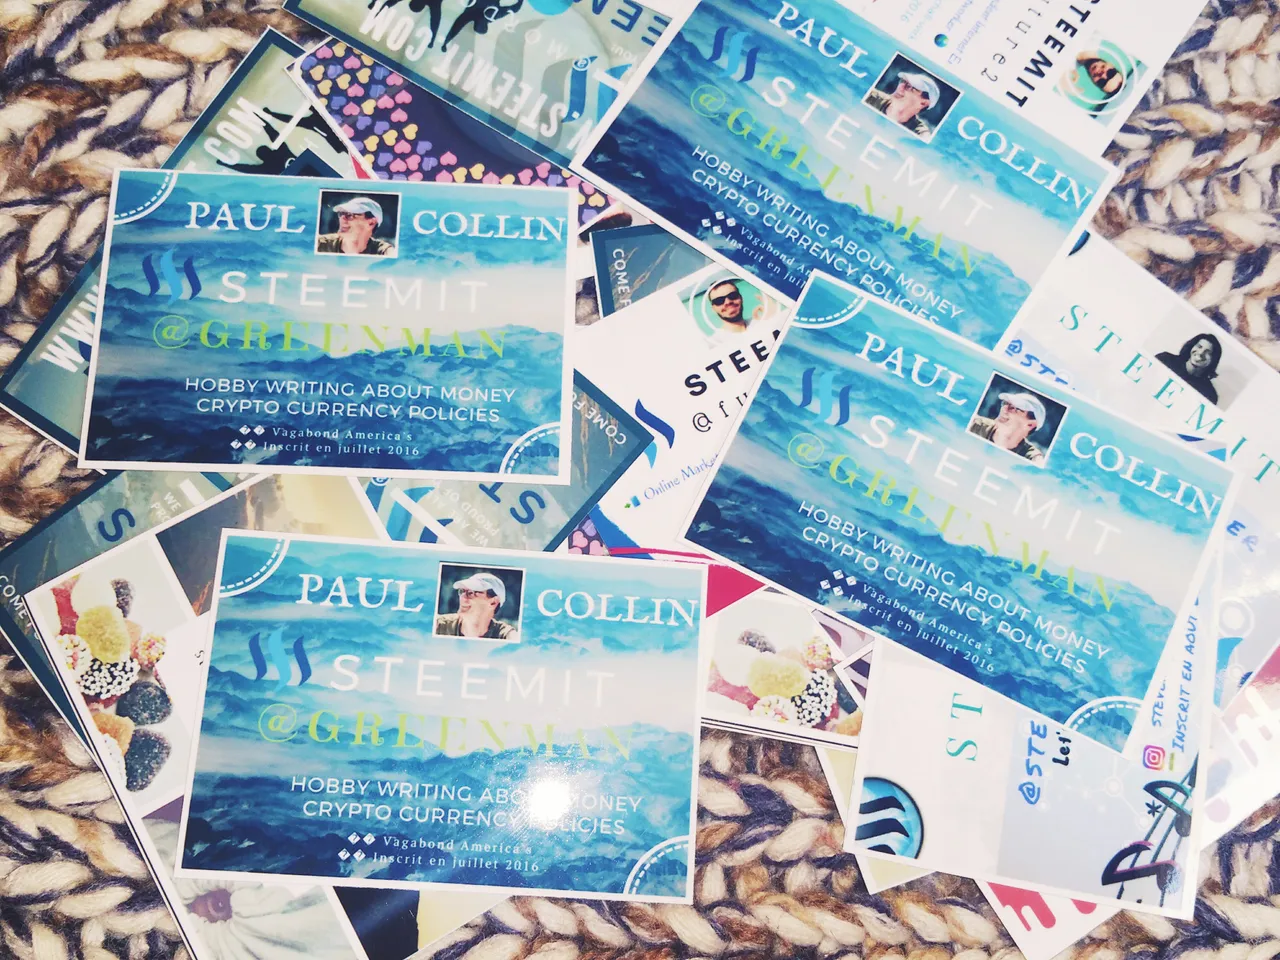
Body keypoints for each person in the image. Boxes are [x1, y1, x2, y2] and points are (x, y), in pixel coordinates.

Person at [968, 391, 1048, 463]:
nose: (1004, 409)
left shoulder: (1033, 459)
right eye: (1005, 403)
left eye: (1014, 408)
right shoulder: (973, 424)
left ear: (1030, 425)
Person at [435, 572, 519, 640]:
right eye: (462, 591)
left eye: (471, 593)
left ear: (493, 602)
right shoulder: (438, 625)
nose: (463, 597)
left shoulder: (505, 635)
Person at [865, 70, 941, 138]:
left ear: (923, 103)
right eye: (902, 81)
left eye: (909, 87)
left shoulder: (920, 133)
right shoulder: (870, 96)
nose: (900, 87)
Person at [1156, 333, 1223, 404]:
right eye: (1199, 346)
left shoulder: (1209, 394)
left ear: (1213, 360)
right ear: (1191, 346)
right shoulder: (1165, 359)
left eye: (1208, 352)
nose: (1201, 353)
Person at [316, 197, 396, 256]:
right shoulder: (319, 244)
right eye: (341, 214)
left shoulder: (383, 252)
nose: (342, 218)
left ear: (371, 223)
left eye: (349, 215)